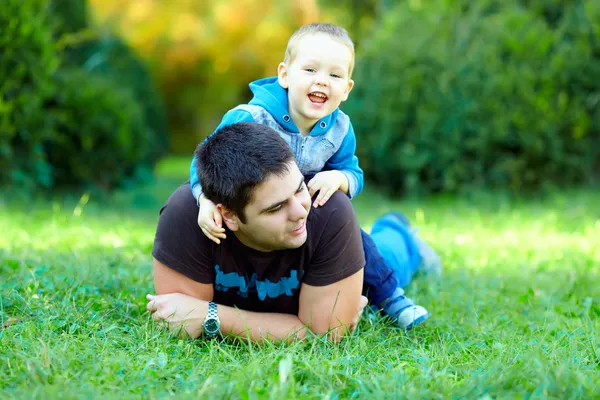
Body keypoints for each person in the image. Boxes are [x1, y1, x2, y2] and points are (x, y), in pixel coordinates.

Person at [187, 23, 441, 329]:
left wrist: (339, 180)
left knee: (367, 254)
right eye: (310, 70)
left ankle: (394, 284)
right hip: (267, 223)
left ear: (346, 88)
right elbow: (205, 160)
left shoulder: (340, 129)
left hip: (317, 221)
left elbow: (353, 172)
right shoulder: (251, 118)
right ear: (284, 75)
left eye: (334, 75)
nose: (322, 81)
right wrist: (204, 199)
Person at [148, 123, 432, 341]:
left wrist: (213, 317)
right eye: (276, 207)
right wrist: (296, 326)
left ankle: (399, 231)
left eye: (298, 188)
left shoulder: (327, 209)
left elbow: (325, 335)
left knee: (388, 253)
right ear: (229, 215)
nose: (300, 211)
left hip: (350, 254)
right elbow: (179, 321)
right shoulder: (187, 217)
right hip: (317, 279)